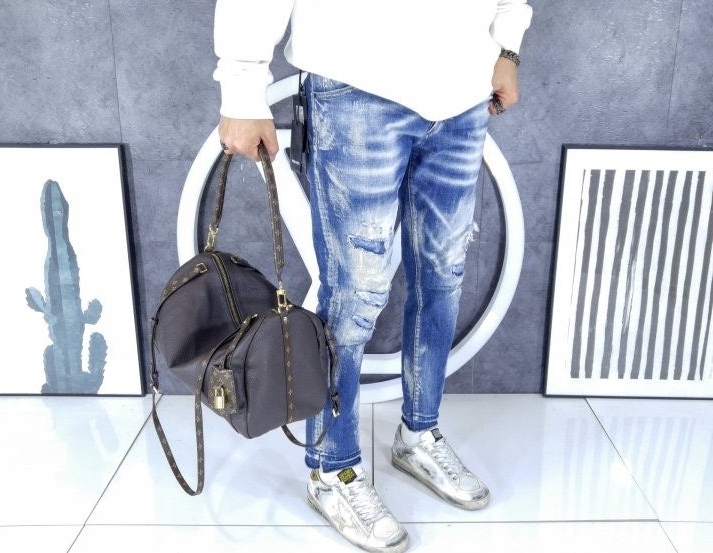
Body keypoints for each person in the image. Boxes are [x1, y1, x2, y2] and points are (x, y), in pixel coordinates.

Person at [214, 2, 532, 551]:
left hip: (463, 88)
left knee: (443, 274)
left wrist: (506, 45)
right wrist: (242, 87)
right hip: (356, 84)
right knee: (354, 293)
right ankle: (331, 468)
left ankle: (419, 434)